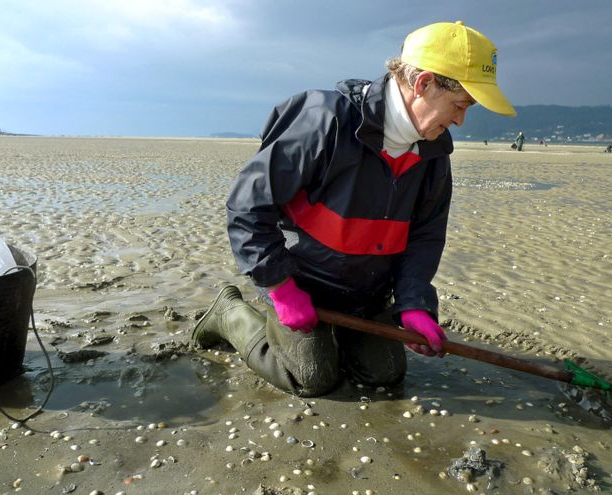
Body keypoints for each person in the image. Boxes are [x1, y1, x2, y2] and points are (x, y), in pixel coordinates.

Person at [192, 21, 516, 397]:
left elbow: (425, 236)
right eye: (459, 105)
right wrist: (280, 287)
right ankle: (230, 314)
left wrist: (414, 304)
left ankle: (339, 336)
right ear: (424, 83)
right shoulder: (324, 120)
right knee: (312, 378)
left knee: (384, 374)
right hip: (302, 282)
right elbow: (248, 206)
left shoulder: (434, 153)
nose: (460, 120)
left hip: (367, 292)